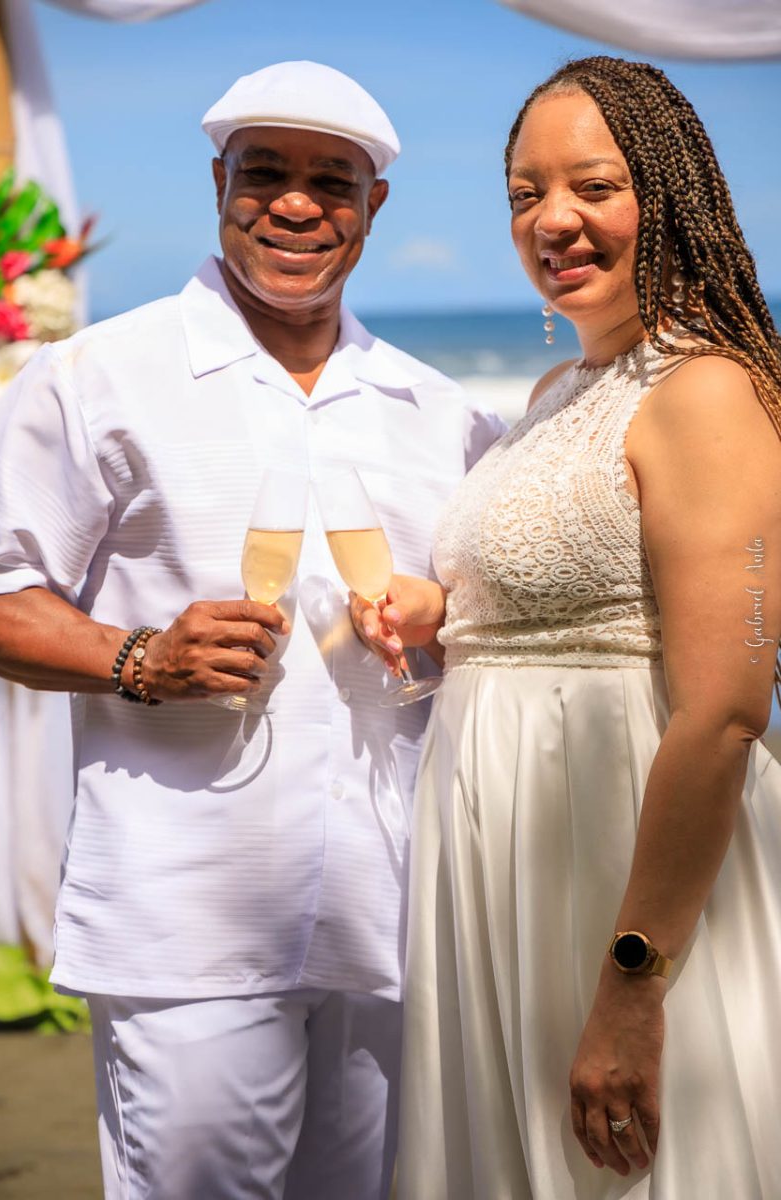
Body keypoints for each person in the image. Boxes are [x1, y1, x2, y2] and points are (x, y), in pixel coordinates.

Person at [0, 61, 505, 1200]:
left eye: (333, 182)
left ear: (374, 209)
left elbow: (488, 618)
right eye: (263, 173)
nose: (296, 204)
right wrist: (138, 658)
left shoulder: (440, 412)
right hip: (185, 921)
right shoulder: (95, 379)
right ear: (219, 182)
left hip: (395, 918)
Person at [357, 56, 781, 1198]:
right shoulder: (554, 397)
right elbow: (567, 593)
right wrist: (446, 609)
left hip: (613, 884)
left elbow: (725, 710)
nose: (551, 220)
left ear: (670, 191)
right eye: (521, 194)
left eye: (591, 185)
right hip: (497, 871)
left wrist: (633, 986)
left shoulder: (704, 392)